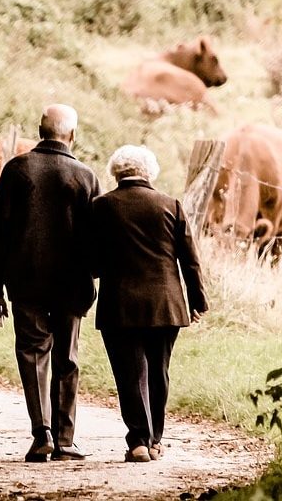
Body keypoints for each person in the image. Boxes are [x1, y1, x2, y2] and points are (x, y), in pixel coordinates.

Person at [0, 104, 101, 462]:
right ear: (73, 136)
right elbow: (95, 237)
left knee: (33, 355)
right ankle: (66, 440)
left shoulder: (17, 170)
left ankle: (42, 434)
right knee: (67, 358)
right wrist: (93, 275)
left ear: (39, 130)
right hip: (72, 284)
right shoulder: (85, 176)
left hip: (26, 281)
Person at [90, 145, 208, 463]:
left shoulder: (101, 206)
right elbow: (190, 260)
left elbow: (93, 261)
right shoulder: (171, 205)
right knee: (159, 371)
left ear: (116, 171)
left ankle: (138, 441)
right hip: (167, 304)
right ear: (149, 172)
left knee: (130, 374)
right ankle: (155, 439)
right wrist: (197, 300)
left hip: (120, 305)